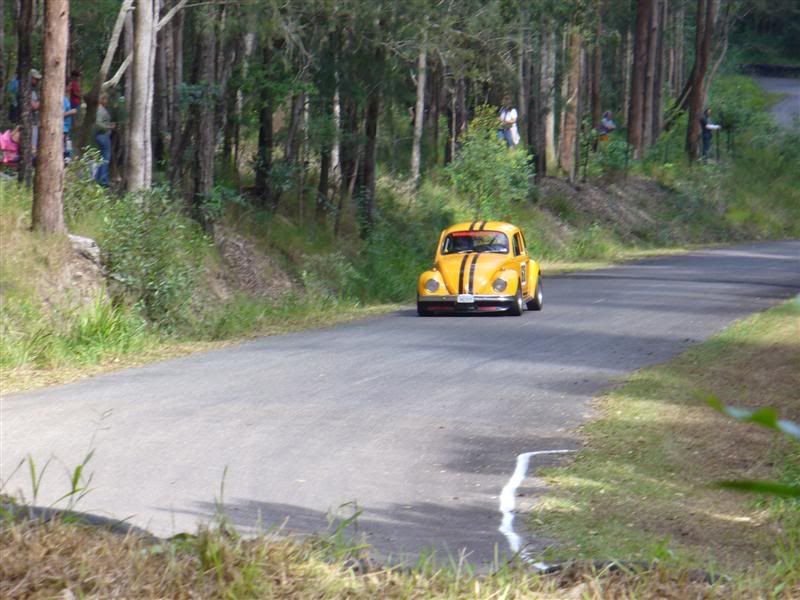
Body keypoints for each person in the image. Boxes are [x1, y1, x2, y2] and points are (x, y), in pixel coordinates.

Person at [94, 93, 115, 186]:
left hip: (103, 136)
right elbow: (98, 123)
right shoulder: (99, 109)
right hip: (103, 136)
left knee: (103, 158)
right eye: (105, 99)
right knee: (106, 158)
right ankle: (103, 180)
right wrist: (108, 127)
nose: (107, 101)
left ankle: (98, 178)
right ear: (102, 99)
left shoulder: (100, 109)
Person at [63, 82, 78, 160]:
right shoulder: (61, 99)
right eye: (69, 86)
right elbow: (59, 115)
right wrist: (71, 112)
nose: (70, 88)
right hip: (62, 129)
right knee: (64, 150)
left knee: (68, 149)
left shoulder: (65, 99)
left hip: (66, 129)